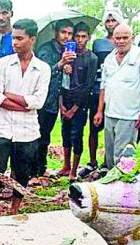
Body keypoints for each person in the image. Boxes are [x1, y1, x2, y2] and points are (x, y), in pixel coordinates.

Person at [0, 19, 51, 215]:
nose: (15, 42)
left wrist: (9, 95)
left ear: (32, 39)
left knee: (22, 172)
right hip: (3, 128)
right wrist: (23, 104)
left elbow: (38, 102)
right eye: (13, 38)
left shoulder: (43, 68)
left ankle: (15, 209)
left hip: (28, 131)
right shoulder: (4, 63)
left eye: (20, 38)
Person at [94, 24, 140, 169]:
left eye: (125, 38)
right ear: (113, 39)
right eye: (118, 38)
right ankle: (110, 183)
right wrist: (100, 111)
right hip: (110, 113)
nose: (121, 41)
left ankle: (122, 187)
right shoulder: (109, 58)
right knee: (109, 153)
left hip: (129, 115)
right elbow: (103, 86)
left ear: (131, 38)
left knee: (123, 156)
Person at [79, 8, 123, 178]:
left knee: (111, 129)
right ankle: (92, 162)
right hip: (97, 88)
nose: (111, 24)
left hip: (117, 90)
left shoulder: (123, 42)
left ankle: (107, 162)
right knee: (94, 126)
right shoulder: (98, 43)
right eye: (108, 21)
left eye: (114, 21)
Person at [30, 19, 74, 181]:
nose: (66, 36)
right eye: (63, 32)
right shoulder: (46, 49)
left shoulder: (69, 51)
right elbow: (43, 74)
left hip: (56, 101)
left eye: (70, 33)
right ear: (56, 32)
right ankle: (32, 171)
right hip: (42, 100)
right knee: (37, 136)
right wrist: (61, 64)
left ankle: (41, 169)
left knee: (46, 136)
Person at [59, 22, 98, 181]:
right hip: (65, 100)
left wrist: (74, 108)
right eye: (77, 36)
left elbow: (88, 85)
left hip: (80, 104)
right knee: (65, 134)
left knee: (77, 135)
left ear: (88, 38)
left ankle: (74, 170)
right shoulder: (67, 54)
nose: (80, 40)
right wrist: (61, 104)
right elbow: (61, 83)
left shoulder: (92, 58)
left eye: (83, 37)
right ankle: (66, 165)